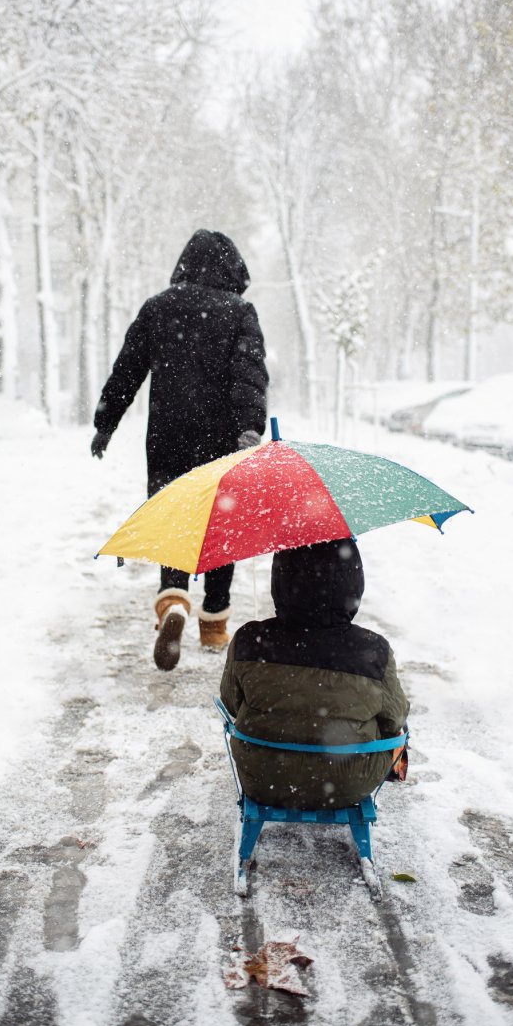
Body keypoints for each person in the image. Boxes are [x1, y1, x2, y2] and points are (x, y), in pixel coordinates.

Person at [91, 229, 268, 671]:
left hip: (168, 437)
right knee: (219, 522)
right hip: (222, 440)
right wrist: (249, 427)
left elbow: (127, 369)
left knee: (175, 516)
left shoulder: (158, 308)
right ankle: (214, 620)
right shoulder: (239, 312)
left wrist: (105, 423)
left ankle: (173, 599)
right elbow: (250, 375)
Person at [219, 537, 409, 809]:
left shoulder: (250, 640)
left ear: (280, 581)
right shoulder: (373, 650)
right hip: (349, 782)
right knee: (393, 724)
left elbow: (231, 703)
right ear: (353, 583)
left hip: (263, 776)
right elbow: (394, 720)